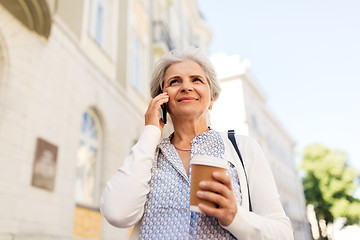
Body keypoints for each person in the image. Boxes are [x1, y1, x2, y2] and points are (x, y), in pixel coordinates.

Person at [100, 47, 294, 239]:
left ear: (211, 98)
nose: (186, 87)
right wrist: (150, 131)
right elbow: (117, 214)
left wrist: (234, 216)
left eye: (196, 80)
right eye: (175, 82)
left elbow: (283, 234)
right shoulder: (148, 156)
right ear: (162, 100)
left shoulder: (243, 149)